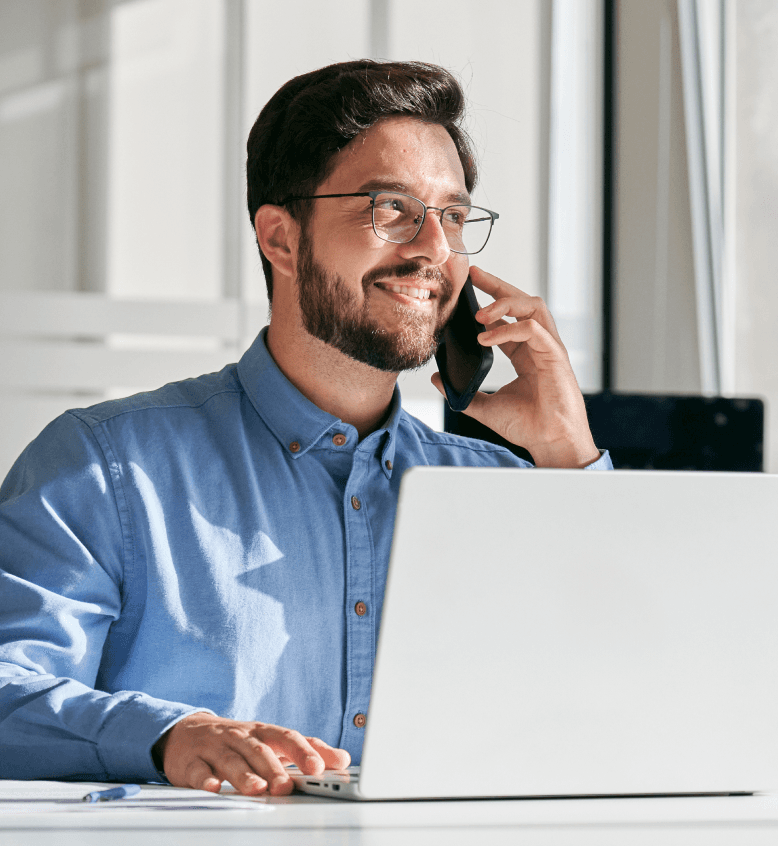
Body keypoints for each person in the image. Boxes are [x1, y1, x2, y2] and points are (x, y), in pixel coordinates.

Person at [0, 60, 608, 796]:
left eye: (452, 216)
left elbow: (632, 702)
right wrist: (167, 736)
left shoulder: (509, 491)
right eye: (393, 209)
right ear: (281, 240)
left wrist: (571, 454)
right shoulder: (104, 468)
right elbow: (10, 693)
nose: (433, 250)